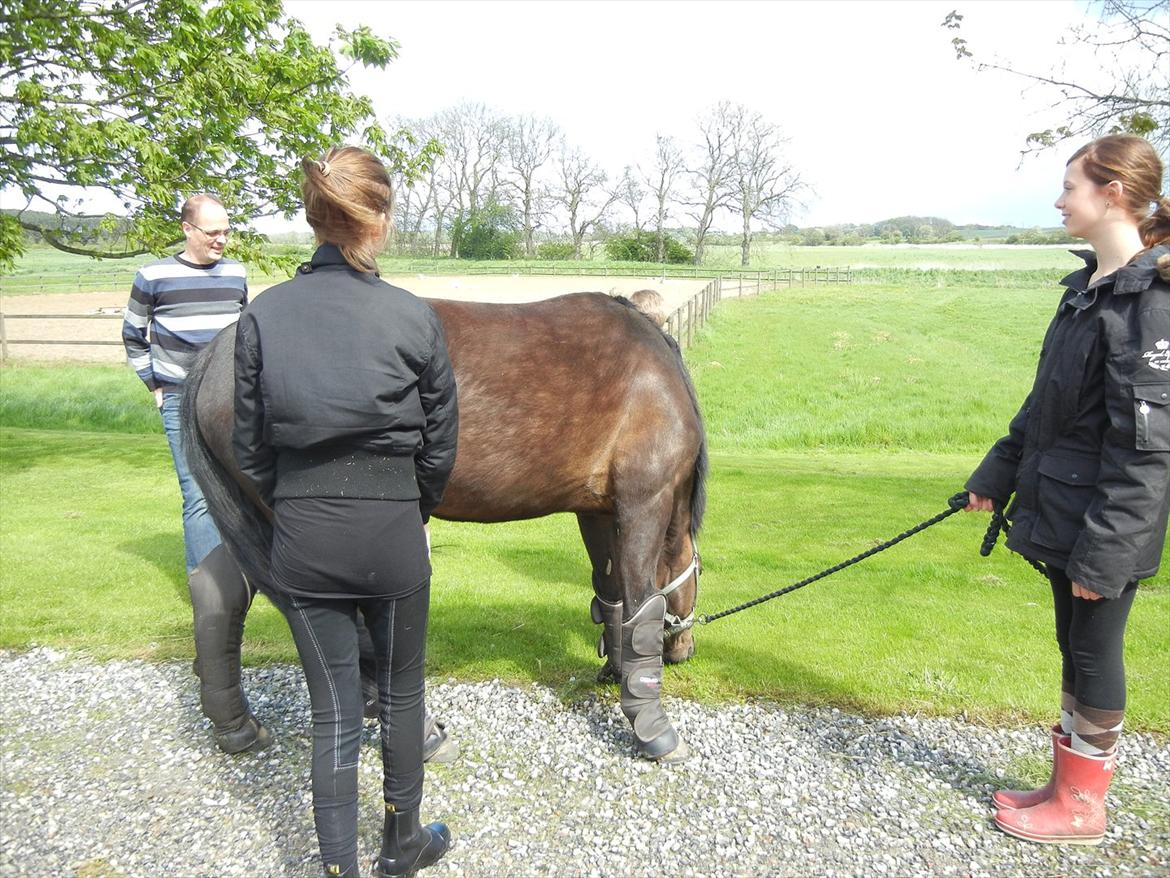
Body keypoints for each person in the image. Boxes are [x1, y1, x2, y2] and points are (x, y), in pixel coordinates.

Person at [232, 146, 458, 878]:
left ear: (312, 217)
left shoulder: (263, 315)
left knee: (331, 709)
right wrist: (411, 504)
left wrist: (293, 501)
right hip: (392, 534)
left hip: (303, 536)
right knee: (400, 694)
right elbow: (441, 442)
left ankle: (338, 867)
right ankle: (402, 845)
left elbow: (249, 445)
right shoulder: (409, 315)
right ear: (379, 218)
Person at [965, 134, 1170, 845]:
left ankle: (1084, 808)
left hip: (1103, 524)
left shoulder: (1151, 303)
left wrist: (1107, 552)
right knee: (1071, 646)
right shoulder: (1085, 291)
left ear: (1112, 194)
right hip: (1061, 508)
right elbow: (1044, 403)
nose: (1059, 201)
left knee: (1094, 652)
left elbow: (1149, 451)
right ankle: (1065, 784)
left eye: (1070, 187)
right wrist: (995, 473)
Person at [122, 195, 270, 754]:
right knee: (199, 501)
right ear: (187, 229)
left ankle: (216, 630)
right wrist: (156, 388)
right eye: (212, 232)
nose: (221, 240)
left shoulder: (234, 275)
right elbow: (134, 336)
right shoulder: (153, 275)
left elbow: (244, 338)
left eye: (227, 231)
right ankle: (209, 607)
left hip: (233, 401)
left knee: (242, 500)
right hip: (183, 397)